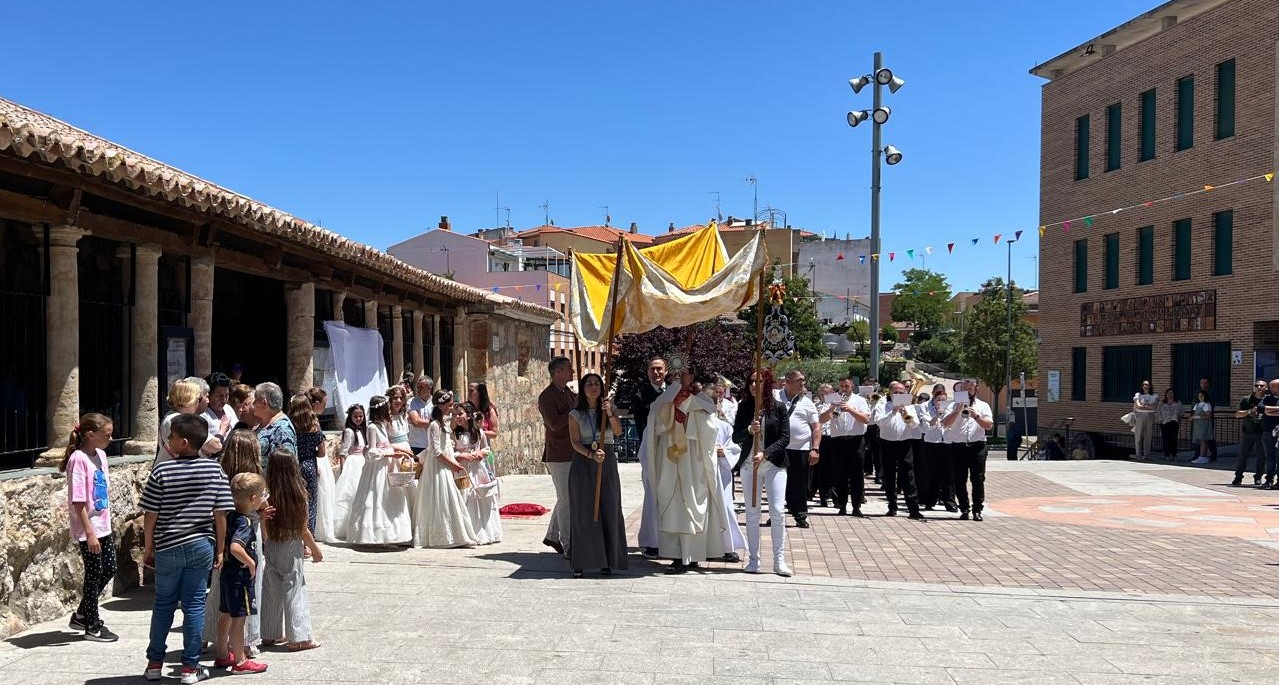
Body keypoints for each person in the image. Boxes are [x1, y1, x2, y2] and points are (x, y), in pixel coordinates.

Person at [141, 414, 235, 684]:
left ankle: (154, 663)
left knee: (163, 604)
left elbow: (150, 513)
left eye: (171, 437)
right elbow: (220, 513)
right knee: (194, 605)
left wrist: (149, 546)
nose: (167, 441)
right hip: (201, 544)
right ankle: (190, 668)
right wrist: (220, 548)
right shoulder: (214, 471)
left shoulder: (162, 471)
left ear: (183, 442)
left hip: (168, 545)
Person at [654, 368, 730, 573]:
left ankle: (694, 554)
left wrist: (688, 406)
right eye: (676, 373)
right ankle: (678, 555)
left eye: (685, 373)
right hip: (672, 460)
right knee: (675, 506)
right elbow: (657, 421)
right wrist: (672, 405)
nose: (680, 376)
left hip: (694, 462)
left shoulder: (702, 399)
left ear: (692, 376)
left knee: (695, 504)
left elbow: (711, 427)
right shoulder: (666, 397)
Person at [202, 429, 268, 657]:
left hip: (223, 531)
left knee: (218, 591)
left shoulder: (220, 474)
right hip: (247, 534)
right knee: (249, 590)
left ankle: (210, 636)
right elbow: (263, 506)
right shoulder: (254, 481)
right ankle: (245, 643)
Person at [62, 412, 119, 642]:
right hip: (90, 528)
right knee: (94, 574)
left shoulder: (101, 456)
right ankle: (92, 626)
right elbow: (78, 500)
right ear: (90, 435)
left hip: (103, 524)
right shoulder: (78, 459)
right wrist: (89, 532)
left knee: (109, 568)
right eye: (107, 435)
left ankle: (81, 614)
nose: (110, 439)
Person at [260, 448, 323, 652]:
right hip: (291, 543)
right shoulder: (297, 494)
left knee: (271, 588)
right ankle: (299, 637)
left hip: (272, 544)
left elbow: (264, 524)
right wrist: (315, 549)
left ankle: (269, 633)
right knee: (295, 587)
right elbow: (302, 528)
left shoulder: (266, 493)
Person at [566, 373, 628, 577]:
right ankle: (581, 561)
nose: (593, 387)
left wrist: (609, 413)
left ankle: (607, 560)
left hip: (606, 461)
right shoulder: (575, 414)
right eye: (589, 384)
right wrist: (591, 455)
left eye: (596, 384)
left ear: (601, 388)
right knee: (584, 511)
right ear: (583, 389)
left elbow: (617, 432)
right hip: (584, 462)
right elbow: (574, 442)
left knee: (608, 507)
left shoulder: (609, 410)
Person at [735, 370, 792, 576]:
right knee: (752, 512)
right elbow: (735, 437)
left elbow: (785, 437)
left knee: (777, 510)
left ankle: (779, 561)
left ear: (766, 384)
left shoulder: (778, 407)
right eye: (751, 381)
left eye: (758, 381)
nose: (753, 385)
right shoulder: (744, 407)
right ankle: (753, 560)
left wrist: (766, 453)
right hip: (750, 465)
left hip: (773, 464)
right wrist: (749, 430)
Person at [212, 472, 269, 675]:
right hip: (240, 577)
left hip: (227, 575)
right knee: (239, 618)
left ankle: (222, 654)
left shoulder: (230, 517)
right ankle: (240, 660)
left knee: (225, 615)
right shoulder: (245, 522)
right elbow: (236, 547)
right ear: (253, 499)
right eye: (262, 495)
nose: (264, 498)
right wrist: (251, 563)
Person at [414, 391, 480, 548]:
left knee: (451, 497)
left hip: (446, 461)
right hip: (439, 466)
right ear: (442, 405)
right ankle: (442, 536)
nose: (452, 407)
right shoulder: (434, 425)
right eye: (450, 405)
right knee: (442, 496)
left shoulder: (444, 423)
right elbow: (436, 452)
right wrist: (452, 464)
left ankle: (456, 533)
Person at [344, 396, 413, 545]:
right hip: (377, 469)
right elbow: (371, 452)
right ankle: (374, 535)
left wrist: (398, 451)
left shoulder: (383, 426)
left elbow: (386, 445)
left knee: (390, 498)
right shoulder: (372, 428)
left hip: (387, 466)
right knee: (376, 497)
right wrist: (390, 454)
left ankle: (389, 536)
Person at [538, 357, 576, 556]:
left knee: (566, 498)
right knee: (566, 501)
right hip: (559, 454)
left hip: (572, 452)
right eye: (569, 369)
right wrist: (574, 409)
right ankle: (568, 544)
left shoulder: (567, 392)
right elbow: (554, 424)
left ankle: (553, 535)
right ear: (558, 372)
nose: (572, 372)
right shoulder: (547, 397)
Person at [942, 379, 994, 521]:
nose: (968, 391)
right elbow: (945, 423)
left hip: (977, 446)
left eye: (970, 388)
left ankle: (977, 510)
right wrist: (957, 411)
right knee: (959, 479)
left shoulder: (983, 405)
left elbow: (989, 426)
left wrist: (976, 416)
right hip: (958, 446)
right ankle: (964, 508)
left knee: (978, 479)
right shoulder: (952, 405)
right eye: (965, 389)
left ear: (976, 389)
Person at [871, 381, 924, 519]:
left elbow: (915, 425)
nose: (899, 395)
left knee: (908, 475)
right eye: (896, 392)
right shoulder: (883, 403)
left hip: (905, 442)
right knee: (889, 475)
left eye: (901, 392)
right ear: (890, 392)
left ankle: (913, 509)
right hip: (887, 442)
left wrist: (905, 413)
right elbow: (878, 421)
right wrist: (893, 412)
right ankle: (892, 506)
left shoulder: (909, 405)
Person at [632, 357, 667, 559]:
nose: (656, 373)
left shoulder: (674, 392)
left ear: (666, 371)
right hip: (651, 449)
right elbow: (642, 425)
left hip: (673, 450)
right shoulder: (640, 395)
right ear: (647, 372)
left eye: (659, 369)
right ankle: (650, 540)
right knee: (652, 495)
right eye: (652, 369)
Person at [776, 370, 821, 528]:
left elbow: (816, 427)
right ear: (788, 381)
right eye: (799, 380)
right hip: (779, 449)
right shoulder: (775, 397)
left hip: (801, 449)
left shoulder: (807, 402)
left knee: (800, 484)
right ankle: (776, 514)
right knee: (777, 483)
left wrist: (815, 448)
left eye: (803, 380)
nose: (803, 383)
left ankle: (800, 515)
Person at [456, 401, 502, 544]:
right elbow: (450, 451)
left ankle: (482, 530)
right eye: (456, 414)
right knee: (466, 497)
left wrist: (481, 453)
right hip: (463, 469)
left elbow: (486, 448)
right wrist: (461, 455)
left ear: (469, 416)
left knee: (480, 496)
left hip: (478, 469)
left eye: (460, 414)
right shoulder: (454, 434)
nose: (457, 417)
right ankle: (467, 532)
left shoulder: (479, 432)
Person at [824, 377, 871, 517]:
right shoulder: (832, 399)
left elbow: (866, 419)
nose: (844, 389)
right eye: (841, 386)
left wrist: (850, 409)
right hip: (838, 441)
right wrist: (832, 408)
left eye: (847, 386)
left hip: (856, 441)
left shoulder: (860, 400)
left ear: (852, 386)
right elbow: (821, 420)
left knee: (857, 475)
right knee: (840, 475)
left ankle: (856, 506)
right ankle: (842, 505)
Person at [711, 398, 746, 561]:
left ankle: (727, 547)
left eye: (714, 402)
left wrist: (723, 452)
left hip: (721, 471)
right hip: (700, 473)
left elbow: (734, 447)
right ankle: (703, 547)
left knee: (724, 507)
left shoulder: (724, 426)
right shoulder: (692, 425)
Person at [156, 379, 223, 463]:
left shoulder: (173, 416)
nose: (198, 403)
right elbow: (216, 446)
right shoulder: (177, 420)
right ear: (190, 399)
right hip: (175, 469)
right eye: (198, 399)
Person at [288, 394, 324, 534]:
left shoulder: (289, 425)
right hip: (309, 465)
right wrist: (311, 453)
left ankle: (295, 532)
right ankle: (309, 536)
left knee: (295, 501)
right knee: (311, 502)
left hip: (293, 465)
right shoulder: (315, 426)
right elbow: (322, 453)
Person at [332, 404, 368, 540]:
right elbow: (344, 452)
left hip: (363, 461)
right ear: (350, 417)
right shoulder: (349, 431)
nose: (358, 419)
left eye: (361, 416)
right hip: (353, 463)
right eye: (356, 416)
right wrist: (343, 469)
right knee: (350, 492)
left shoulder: (363, 430)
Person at [920, 386, 956, 511]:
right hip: (932, 444)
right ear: (934, 400)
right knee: (932, 473)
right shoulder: (928, 410)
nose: (941, 403)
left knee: (949, 474)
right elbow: (927, 427)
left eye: (944, 400)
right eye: (939, 400)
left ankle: (949, 501)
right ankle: (930, 500)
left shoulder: (951, 411)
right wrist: (937, 415)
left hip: (947, 443)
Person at [253, 382, 296, 473]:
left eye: (255, 400)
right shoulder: (262, 423)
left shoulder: (283, 429)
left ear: (264, 403)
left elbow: (287, 467)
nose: (253, 404)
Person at [1233, 381, 1267, 486]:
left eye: (1262, 386)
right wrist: (1249, 411)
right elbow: (1237, 414)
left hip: (1262, 432)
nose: (1259, 387)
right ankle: (1238, 477)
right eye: (1256, 385)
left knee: (1262, 456)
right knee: (1243, 456)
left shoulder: (1268, 400)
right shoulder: (1247, 399)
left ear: (1266, 388)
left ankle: (1258, 477)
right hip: (1248, 432)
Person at [810, 383, 836, 507]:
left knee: (834, 468)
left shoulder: (837, 405)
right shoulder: (814, 406)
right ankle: (824, 497)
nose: (824, 395)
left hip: (834, 437)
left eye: (827, 393)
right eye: (822, 393)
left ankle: (835, 497)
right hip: (822, 438)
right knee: (822, 469)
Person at [204, 372, 239, 446]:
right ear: (209, 395)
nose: (224, 400)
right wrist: (222, 430)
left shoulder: (228, 408)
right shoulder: (204, 415)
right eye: (220, 396)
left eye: (227, 395)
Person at [406, 375, 435, 459]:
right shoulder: (412, 401)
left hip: (432, 444)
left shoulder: (436, 403)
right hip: (416, 444)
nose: (418, 390)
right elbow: (416, 422)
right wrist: (436, 422)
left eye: (421, 387)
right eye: (417, 387)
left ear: (429, 388)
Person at [1131, 380, 1158, 461]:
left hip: (1150, 416)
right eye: (1144, 385)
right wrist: (1147, 406)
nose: (1145, 386)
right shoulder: (1138, 395)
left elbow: (1154, 407)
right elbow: (1138, 406)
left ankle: (1147, 455)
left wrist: (1144, 405)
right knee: (1138, 435)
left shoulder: (1154, 396)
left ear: (1150, 386)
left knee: (1148, 436)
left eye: (1147, 385)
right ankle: (1138, 455)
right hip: (1140, 416)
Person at [1156, 389, 1183, 461]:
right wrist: (1160, 419)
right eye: (1168, 393)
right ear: (1166, 394)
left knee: (1173, 438)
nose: (1170, 395)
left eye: (1171, 393)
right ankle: (1166, 454)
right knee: (1166, 439)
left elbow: (1181, 412)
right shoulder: (1162, 403)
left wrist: (1179, 419)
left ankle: (1174, 454)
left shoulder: (1178, 402)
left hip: (1174, 422)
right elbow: (1158, 412)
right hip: (1164, 423)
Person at [1190, 391, 1214, 465]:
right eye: (1199, 396)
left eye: (1202, 395)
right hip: (1198, 425)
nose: (1200, 397)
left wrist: (1197, 417)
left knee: (1203, 440)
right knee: (1201, 441)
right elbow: (1194, 413)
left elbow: (1208, 416)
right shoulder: (1197, 404)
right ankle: (1202, 456)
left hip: (1204, 425)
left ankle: (1202, 456)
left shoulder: (1206, 404)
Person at [1263, 379, 1279, 489]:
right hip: (1268, 431)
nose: (1270, 389)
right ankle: (1269, 479)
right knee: (1270, 456)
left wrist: (1270, 411)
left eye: (1272, 387)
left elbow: (1268, 411)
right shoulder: (1267, 398)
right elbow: (1262, 409)